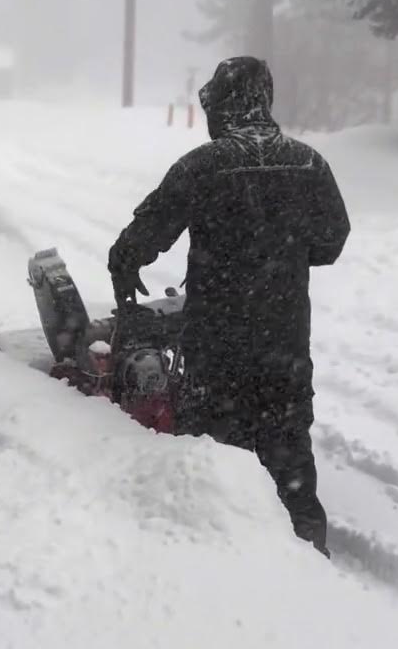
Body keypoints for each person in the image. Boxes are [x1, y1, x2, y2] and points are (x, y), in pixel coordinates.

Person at [107, 56, 350, 557]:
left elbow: (143, 236)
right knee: (289, 457)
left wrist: (125, 266)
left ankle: (228, 568)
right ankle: (310, 556)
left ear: (222, 106)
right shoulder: (308, 164)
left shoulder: (203, 166)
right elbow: (331, 240)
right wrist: (282, 257)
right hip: (284, 343)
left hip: (217, 349)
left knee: (217, 459)